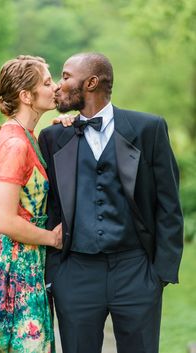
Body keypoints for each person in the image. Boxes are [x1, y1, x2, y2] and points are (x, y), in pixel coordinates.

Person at [38, 52, 184, 353]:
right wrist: (56, 276)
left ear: (91, 83)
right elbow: (50, 208)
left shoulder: (148, 129)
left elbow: (169, 205)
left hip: (136, 271)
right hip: (74, 273)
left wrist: (159, 275)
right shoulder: (53, 137)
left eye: (66, 77)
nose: (57, 86)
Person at [0, 55, 63, 352]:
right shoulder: (15, 143)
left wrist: (64, 123)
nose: (54, 87)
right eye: (46, 82)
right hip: (12, 264)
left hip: (25, 257)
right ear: (26, 96)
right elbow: (4, 219)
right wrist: (52, 239)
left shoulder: (26, 136)